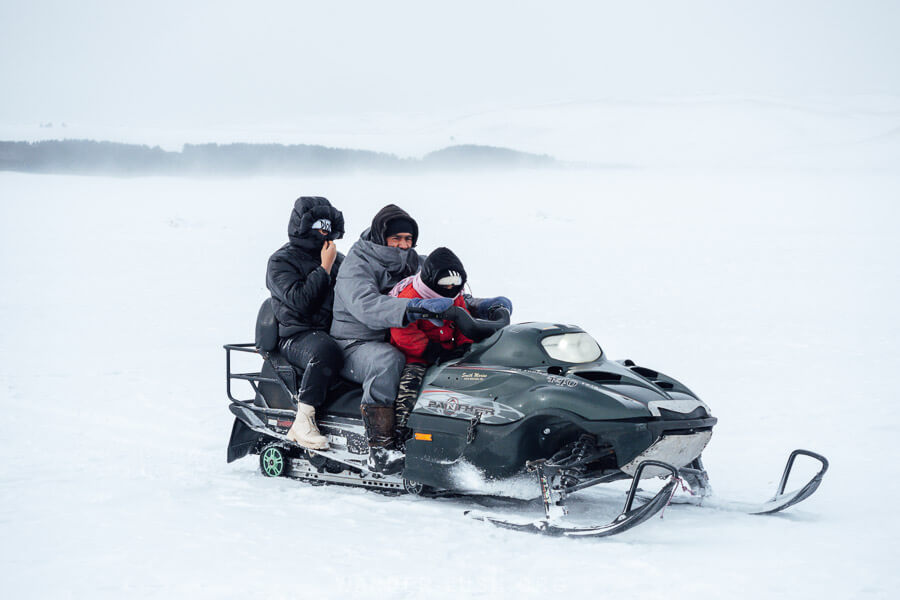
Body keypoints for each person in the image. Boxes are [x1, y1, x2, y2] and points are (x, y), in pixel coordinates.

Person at [330, 205, 455, 474]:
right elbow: (365, 305)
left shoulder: (414, 261)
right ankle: (380, 448)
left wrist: (478, 306)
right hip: (353, 343)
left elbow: (439, 288)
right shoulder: (357, 265)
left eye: (408, 239)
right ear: (380, 236)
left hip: (396, 337)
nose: (402, 245)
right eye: (396, 238)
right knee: (388, 361)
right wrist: (408, 309)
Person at [266, 196, 345, 450]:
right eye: (320, 227)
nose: (326, 233)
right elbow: (300, 301)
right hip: (295, 335)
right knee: (325, 351)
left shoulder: (338, 258)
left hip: (333, 330)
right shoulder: (280, 261)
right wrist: (324, 268)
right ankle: (304, 421)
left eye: (329, 228)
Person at [388, 247, 475, 444]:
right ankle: (402, 427)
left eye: (456, 283)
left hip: (446, 351)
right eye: (446, 283)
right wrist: (429, 351)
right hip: (415, 355)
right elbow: (402, 332)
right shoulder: (411, 297)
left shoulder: (455, 297)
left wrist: (465, 344)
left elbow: (462, 320)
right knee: (410, 385)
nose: (451, 287)